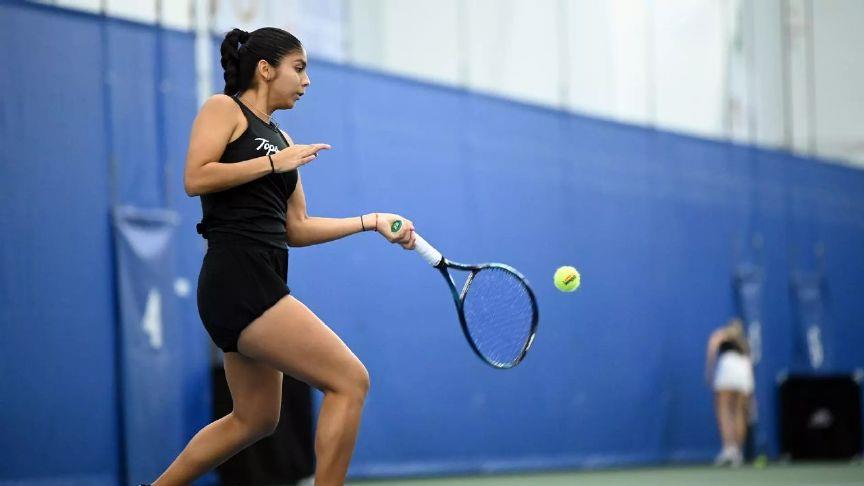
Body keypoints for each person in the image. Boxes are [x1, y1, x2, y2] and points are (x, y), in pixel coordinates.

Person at [141, 27, 416, 486]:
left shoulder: (284, 139)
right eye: (299, 68)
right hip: (237, 277)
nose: (306, 81)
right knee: (350, 380)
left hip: (263, 275)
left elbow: (298, 229)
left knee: (255, 419)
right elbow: (196, 176)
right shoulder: (223, 108)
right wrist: (273, 164)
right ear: (266, 70)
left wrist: (371, 221)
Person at [705, 317, 754, 467]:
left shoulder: (720, 335)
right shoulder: (744, 342)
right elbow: (749, 359)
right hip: (744, 371)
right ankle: (737, 452)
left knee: (724, 411)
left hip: (728, 367)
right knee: (739, 412)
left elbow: (712, 351)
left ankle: (729, 449)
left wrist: (709, 373)